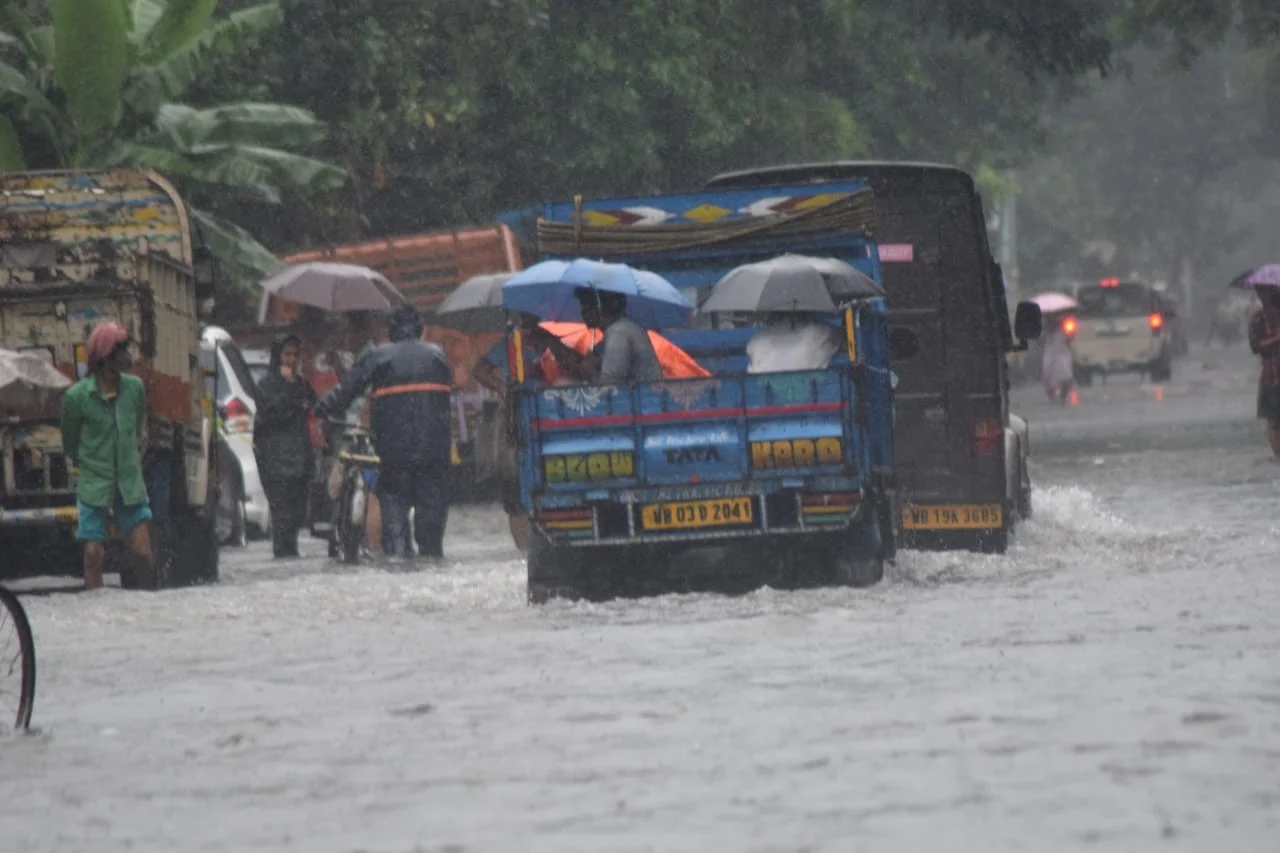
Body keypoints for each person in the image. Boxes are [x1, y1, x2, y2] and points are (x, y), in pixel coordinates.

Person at [315, 304, 454, 561]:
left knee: (395, 528)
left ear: (391, 331)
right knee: (431, 535)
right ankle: (431, 558)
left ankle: (399, 561)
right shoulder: (438, 356)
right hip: (434, 455)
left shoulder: (379, 356)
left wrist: (322, 408)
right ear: (420, 329)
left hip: (394, 456)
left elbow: (346, 390)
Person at [60, 322, 154, 590]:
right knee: (93, 554)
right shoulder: (76, 397)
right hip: (94, 482)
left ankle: (150, 602)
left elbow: (137, 426)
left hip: (129, 482)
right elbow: (70, 441)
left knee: (142, 552)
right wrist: (87, 462)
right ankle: (95, 605)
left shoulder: (135, 388)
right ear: (104, 358)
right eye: (120, 350)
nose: (127, 356)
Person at [252, 334, 317, 558]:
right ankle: (283, 553)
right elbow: (273, 414)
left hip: (300, 458)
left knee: (299, 512)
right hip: (275, 459)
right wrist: (288, 389)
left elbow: (313, 408)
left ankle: (292, 552)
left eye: (295, 355)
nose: (291, 360)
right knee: (282, 513)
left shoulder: (302, 384)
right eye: (287, 354)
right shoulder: (266, 385)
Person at [575, 288, 663, 383]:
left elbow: (609, 385)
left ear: (601, 307)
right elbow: (588, 361)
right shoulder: (617, 330)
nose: (582, 312)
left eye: (586, 306)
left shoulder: (618, 332)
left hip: (644, 392)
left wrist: (591, 373)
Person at [746, 312, 843, 373]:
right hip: (812, 390)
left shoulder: (758, 340)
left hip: (770, 394)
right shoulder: (816, 332)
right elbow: (836, 340)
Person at [1247, 287, 1280, 460]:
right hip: (1271, 376)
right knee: (1273, 421)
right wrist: (1275, 340)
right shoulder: (1257, 319)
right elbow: (1255, 347)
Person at [1041, 314, 1075, 404]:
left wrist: (1068, 333)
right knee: (1048, 377)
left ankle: (1063, 397)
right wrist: (1047, 330)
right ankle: (1052, 397)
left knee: (1066, 377)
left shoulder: (1066, 324)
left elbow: (1070, 339)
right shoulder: (1045, 325)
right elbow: (1040, 340)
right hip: (1050, 353)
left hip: (1062, 353)